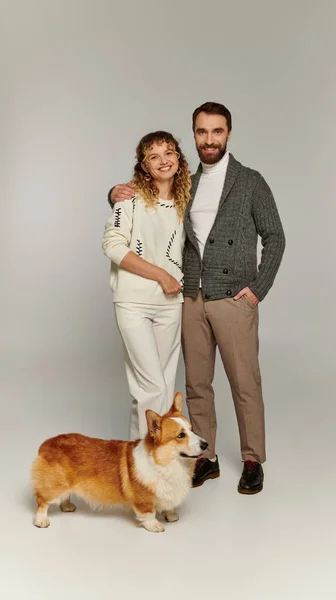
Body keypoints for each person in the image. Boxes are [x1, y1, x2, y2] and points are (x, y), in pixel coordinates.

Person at [109, 102, 285, 494]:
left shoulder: (250, 181)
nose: (209, 140)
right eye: (202, 133)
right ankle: (206, 459)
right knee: (197, 385)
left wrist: (258, 288)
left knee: (244, 383)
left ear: (228, 134)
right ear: (194, 136)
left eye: (217, 132)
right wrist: (113, 193)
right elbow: (148, 198)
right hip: (190, 297)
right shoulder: (187, 181)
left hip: (234, 298)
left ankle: (253, 459)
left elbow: (276, 236)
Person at [102, 131, 191, 440]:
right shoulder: (129, 200)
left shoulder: (187, 204)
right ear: (143, 166)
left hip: (171, 305)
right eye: (154, 156)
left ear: (179, 159)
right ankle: (145, 467)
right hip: (134, 301)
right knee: (150, 386)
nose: (163, 160)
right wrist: (161, 275)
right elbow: (113, 246)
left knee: (162, 389)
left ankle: (146, 457)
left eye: (169, 153)